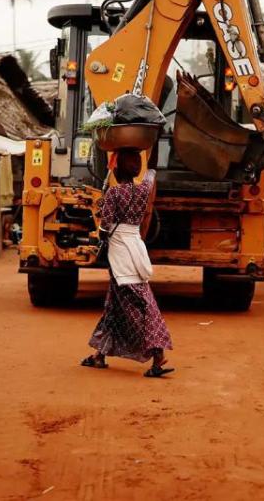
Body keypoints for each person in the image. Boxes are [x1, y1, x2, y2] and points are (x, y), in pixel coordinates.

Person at [82, 148, 174, 378]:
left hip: (120, 253)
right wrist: (150, 151)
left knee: (138, 303)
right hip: (136, 246)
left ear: (115, 167)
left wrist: (101, 231)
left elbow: (105, 227)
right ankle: (99, 355)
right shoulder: (144, 189)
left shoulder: (113, 193)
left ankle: (158, 355)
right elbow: (151, 172)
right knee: (114, 304)